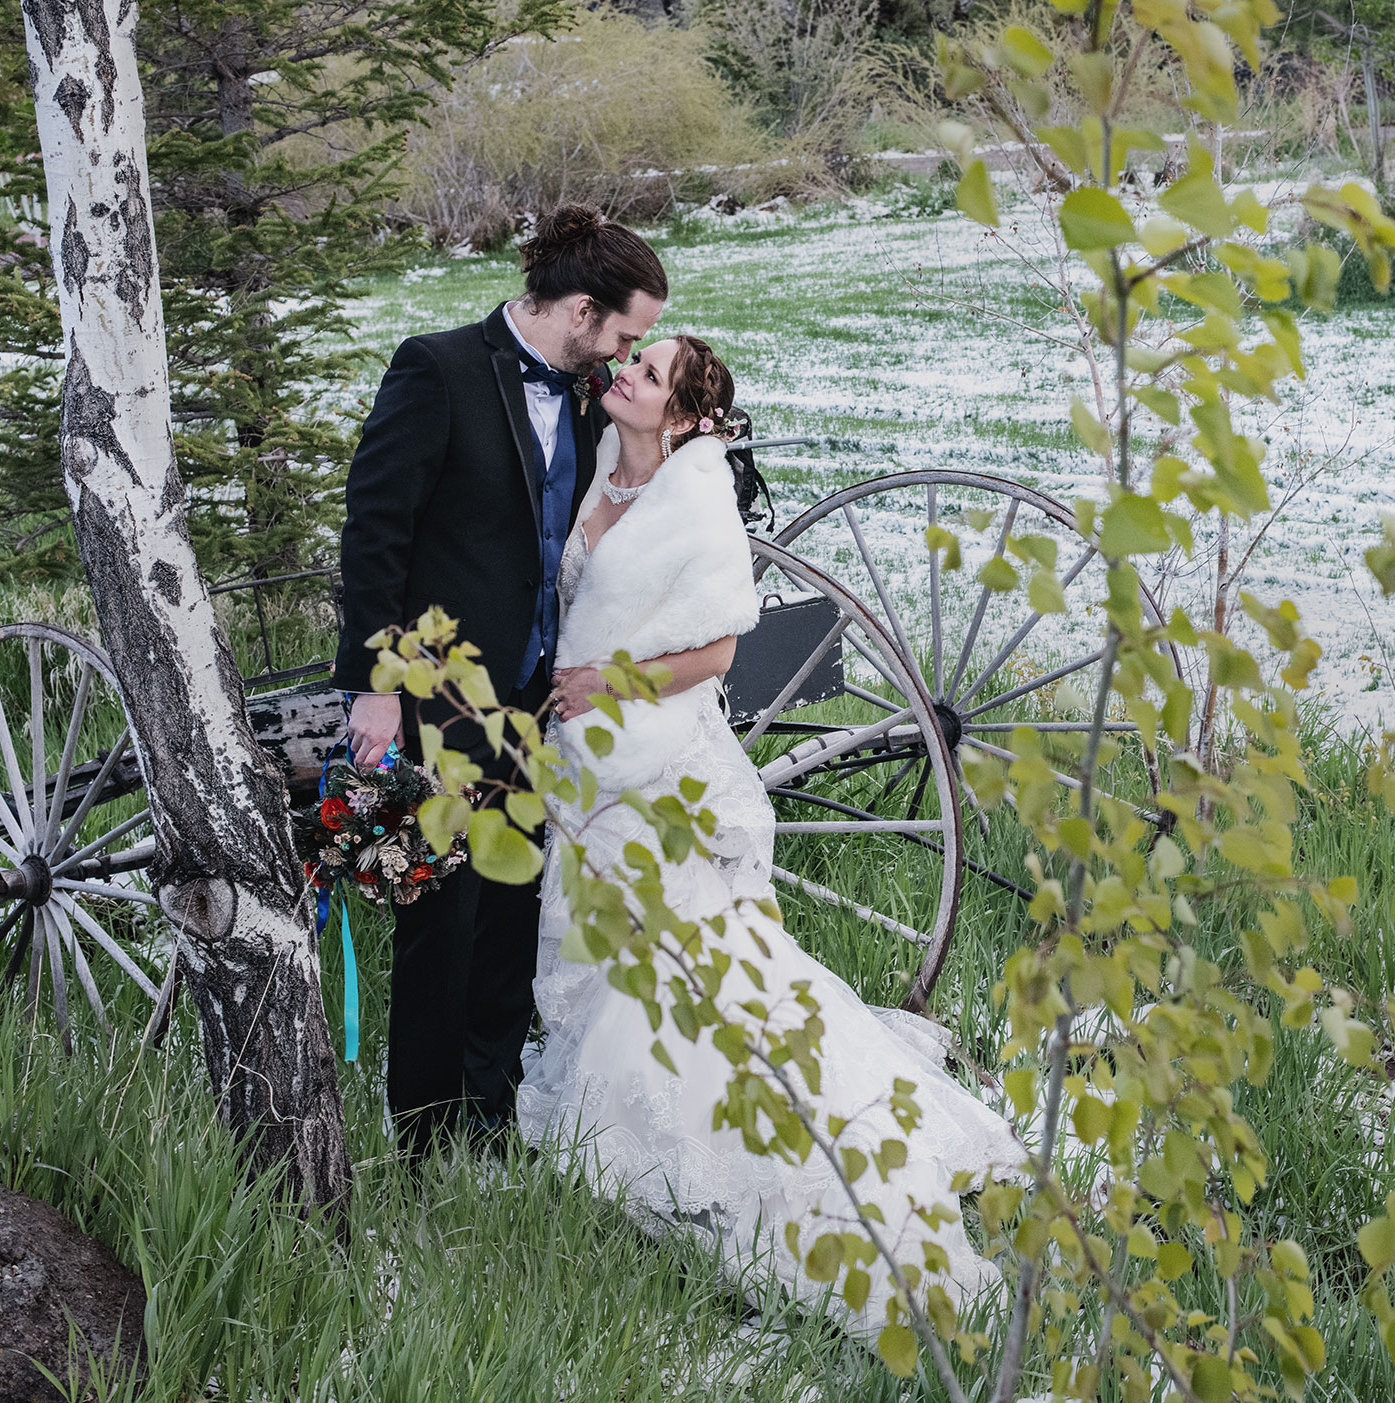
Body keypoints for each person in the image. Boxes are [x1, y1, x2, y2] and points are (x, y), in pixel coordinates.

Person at [518, 333, 1024, 1335]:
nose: (625, 373)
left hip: (653, 747)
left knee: (677, 955)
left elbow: (715, 650)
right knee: (609, 941)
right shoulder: (589, 464)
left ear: (691, 418)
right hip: (584, 756)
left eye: (650, 374)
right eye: (631, 361)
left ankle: (736, 1154)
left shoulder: (695, 494)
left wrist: (603, 685)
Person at [333, 205, 668, 1157]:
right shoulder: (435, 370)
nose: (627, 351)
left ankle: (491, 1113)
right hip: (436, 696)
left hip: (527, 700)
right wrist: (375, 683)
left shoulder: (583, 388)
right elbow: (375, 535)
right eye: (625, 332)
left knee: (509, 912)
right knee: (443, 914)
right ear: (576, 312)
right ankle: (425, 1136)